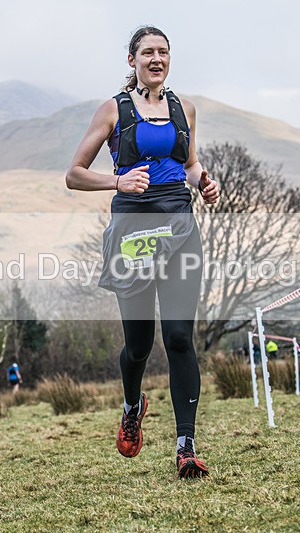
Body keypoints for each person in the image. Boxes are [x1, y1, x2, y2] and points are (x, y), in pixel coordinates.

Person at [66, 26, 219, 478]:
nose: (157, 59)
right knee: (139, 345)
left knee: (179, 336)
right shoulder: (113, 110)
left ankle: (186, 446)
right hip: (133, 232)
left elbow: (188, 164)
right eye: (148, 52)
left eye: (163, 52)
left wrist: (204, 182)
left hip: (179, 227)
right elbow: (74, 174)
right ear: (132, 60)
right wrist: (118, 180)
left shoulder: (185, 108)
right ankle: (132, 406)